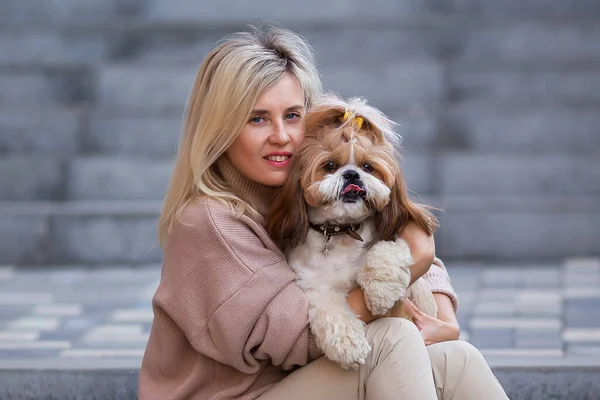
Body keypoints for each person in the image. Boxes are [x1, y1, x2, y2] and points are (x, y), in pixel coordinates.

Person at [138, 26, 508, 400]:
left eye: (294, 115)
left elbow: (394, 243)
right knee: (390, 338)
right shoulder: (209, 221)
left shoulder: (307, 191)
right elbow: (298, 335)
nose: (281, 135)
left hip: (304, 383)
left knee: (457, 359)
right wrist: (413, 260)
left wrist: (444, 320)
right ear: (220, 130)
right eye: (257, 119)